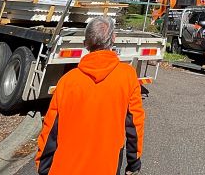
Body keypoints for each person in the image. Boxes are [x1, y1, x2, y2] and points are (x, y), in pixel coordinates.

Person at [36, 15, 144, 175]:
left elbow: (51, 128)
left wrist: (43, 167)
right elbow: (134, 124)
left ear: (85, 43)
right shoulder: (127, 76)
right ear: (113, 38)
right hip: (107, 166)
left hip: (65, 168)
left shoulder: (67, 81)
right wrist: (133, 162)